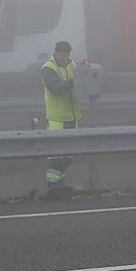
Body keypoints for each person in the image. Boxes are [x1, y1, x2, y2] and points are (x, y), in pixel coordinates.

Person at [41, 40, 84, 195]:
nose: (65, 57)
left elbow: (82, 77)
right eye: (63, 54)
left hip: (72, 117)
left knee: (68, 154)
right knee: (57, 155)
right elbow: (56, 89)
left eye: (67, 54)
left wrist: (84, 68)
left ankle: (59, 183)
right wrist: (73, 81)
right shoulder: (48, 68)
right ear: (56, 52)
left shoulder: (72, 65)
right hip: (57, 118)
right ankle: (52, 184)